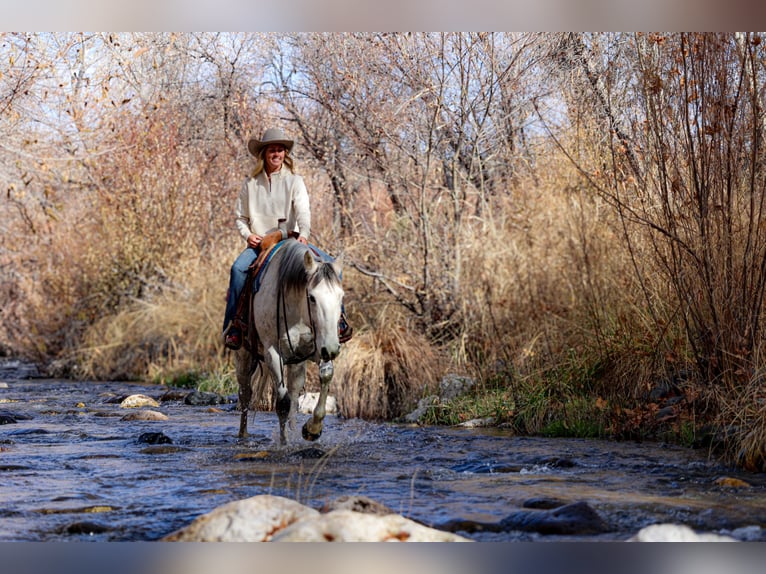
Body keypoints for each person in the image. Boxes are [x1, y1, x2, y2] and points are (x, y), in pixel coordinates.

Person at [222, 127, 352, 350]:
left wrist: (304, 234)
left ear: (285, 154)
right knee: (237, 270)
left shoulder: (295, 181)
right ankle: (234, 326)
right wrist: (248, 235)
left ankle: (339, 321)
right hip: (261, 244)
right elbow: (240, 218)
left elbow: (303, 211)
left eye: (280, 150)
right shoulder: (250, 185)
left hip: (291, 241)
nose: (276, 154)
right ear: (264, 153)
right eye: (272, 149)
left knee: (333, 268)